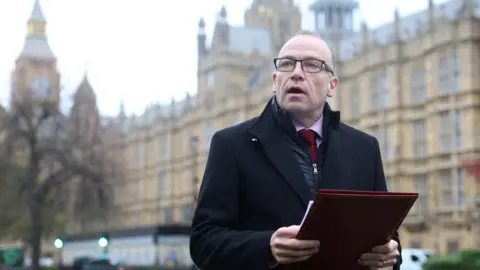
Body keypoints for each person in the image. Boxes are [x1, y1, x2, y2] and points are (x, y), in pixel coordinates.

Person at [189, 30, 402, 270]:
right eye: (287, 64)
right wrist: (266, 247)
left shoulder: (365, 148)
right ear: (274, 81)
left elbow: (387, 237)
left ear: (332, 85)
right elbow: (202, 241)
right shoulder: (232, 144)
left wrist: (389, 257)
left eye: (311, 65)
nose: (297, 73)